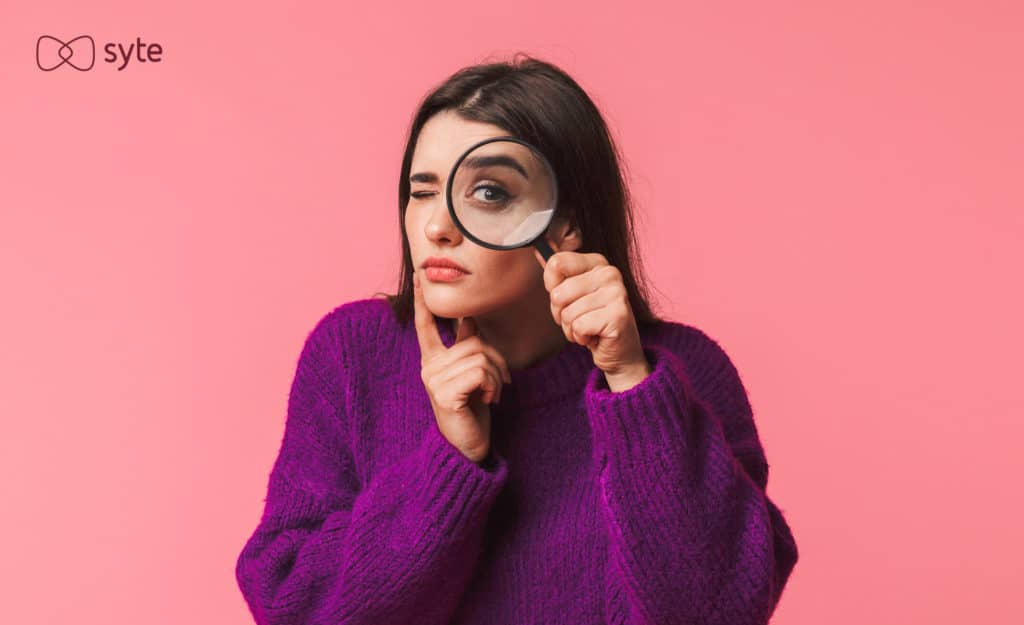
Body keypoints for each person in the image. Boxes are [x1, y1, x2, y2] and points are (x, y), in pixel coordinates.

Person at [234, 53, 799, 625]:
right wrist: (450, 461)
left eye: (488, 193)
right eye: (422, 191)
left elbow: (718, 611)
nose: (436, 227)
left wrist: (632, 383)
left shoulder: (681, 370)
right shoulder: (354, 354)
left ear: (563, 220)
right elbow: (292, 607)